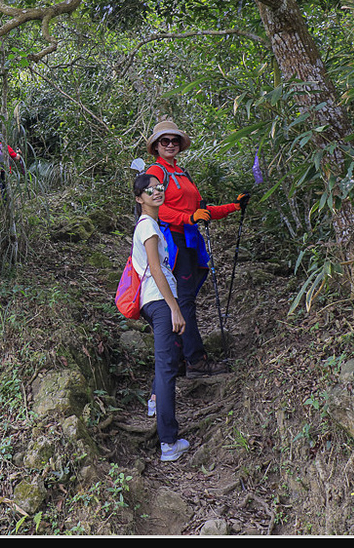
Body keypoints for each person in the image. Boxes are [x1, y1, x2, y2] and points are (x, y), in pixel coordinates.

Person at [144, 120, 250, 379]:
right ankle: (195, 361)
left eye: (175, 141)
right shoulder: (155, 173)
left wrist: (233, 207)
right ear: (156, 146)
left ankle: (181, 359)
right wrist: (188, 218)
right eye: (165, 141)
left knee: (183, 300)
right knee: (184, 301)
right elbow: (156, 208)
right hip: (172, 242)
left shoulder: (182, 174)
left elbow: (200, 211)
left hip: (189, 240)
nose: (170, 145)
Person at [131, 172, 190, 462]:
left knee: (167, 361)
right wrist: (174, 307)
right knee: (167, 369)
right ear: (139, 198)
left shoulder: (150, 224)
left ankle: (156, 403)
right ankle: (168, 443)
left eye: (159, 187)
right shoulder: (147, 227)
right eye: (149, 190)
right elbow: (155, 269)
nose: (157, 192)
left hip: (154, 301)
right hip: (159, 300)